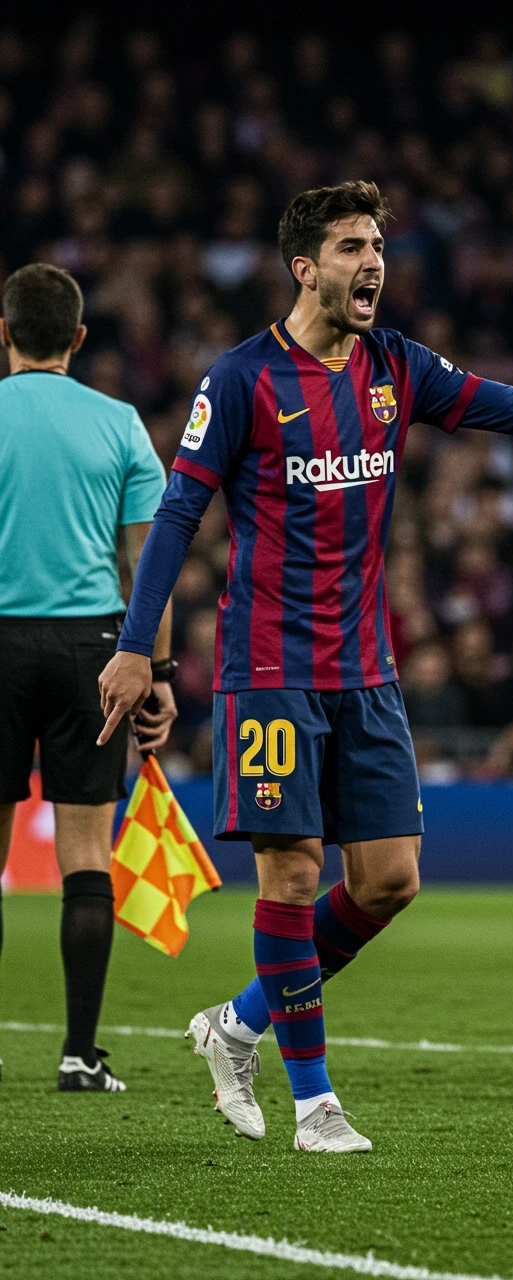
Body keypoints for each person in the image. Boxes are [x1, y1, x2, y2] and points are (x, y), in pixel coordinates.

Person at [97, 182, 513, 1152]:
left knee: (388, 880)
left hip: (365, 667)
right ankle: (315, 1101)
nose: (372, 260)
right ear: (303, 267)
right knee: (291, 869)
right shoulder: (240, 380)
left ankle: (237, 1023)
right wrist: (134, 644)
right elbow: (174, 515)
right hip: (272, 664)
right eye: (348, 246)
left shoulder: (395, 367)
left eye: (376, 243)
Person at [0, 263, 176, 1091]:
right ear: (76, 338)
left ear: (4, 334)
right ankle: (78, 1054)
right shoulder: (119, 423)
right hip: (93, 652)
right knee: (85, 853)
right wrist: (162, 671)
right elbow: (150, 561)